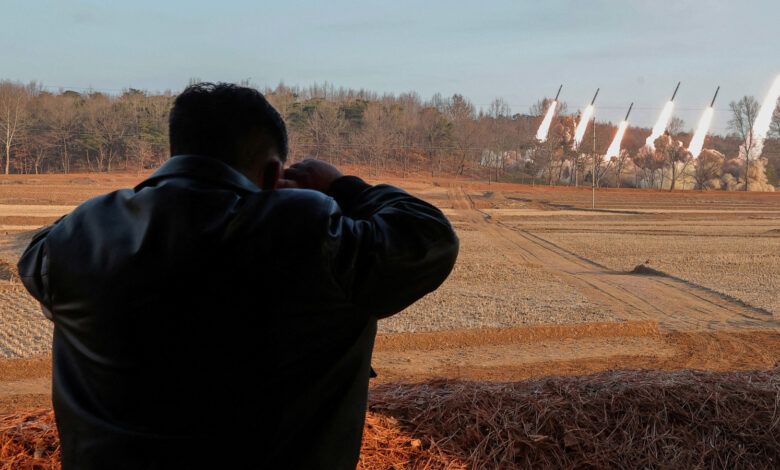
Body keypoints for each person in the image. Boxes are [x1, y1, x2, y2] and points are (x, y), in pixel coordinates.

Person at [17, 83, 458, 469]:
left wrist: (154, 195)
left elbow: (44, 251)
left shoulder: (72, 240)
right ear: (272, 172)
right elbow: (430, 237)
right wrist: (341, 186)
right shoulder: (307, 237)